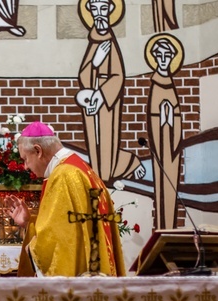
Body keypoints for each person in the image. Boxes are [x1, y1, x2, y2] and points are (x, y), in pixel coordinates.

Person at [7, 121, 126, 277]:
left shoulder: (62, 176)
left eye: (25, 159)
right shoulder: (79, 167)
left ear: (38, 151)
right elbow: (69, 229)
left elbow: (55, 244)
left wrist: (32, 239)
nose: (26, 167)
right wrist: (30, 222)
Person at [77, 0, 143, 181]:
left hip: (107, 102)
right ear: (90, 11)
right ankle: (99, 175)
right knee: (95, 142)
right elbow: (83, 75)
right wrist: (95, 62)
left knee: (107, 140)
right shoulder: (93, 42)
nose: (99, 13)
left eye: (103, 8)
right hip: (92, 100)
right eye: (95, 9)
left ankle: (127, 163)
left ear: (110, 11)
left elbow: (118, 76)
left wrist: (100, 95)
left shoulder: (111, 42)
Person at [146, 34, 183, 230]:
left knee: (171, 185)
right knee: (161, 186)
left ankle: (170, 226)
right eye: (158, 54)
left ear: (171, 58)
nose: (162, 59)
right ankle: (163, 226)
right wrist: (163, 119)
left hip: (172, 148)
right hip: (160, 146)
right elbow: (153, 117)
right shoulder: (156, 84)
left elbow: (176, 119)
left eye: (166, 55)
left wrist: (170, 119)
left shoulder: (171, 84)